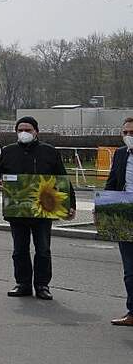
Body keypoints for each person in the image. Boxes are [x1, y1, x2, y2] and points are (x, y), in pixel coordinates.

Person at [0, 116, 72, 301]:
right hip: (17, 209)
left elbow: (62, 178)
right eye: (20, 130)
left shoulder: (49, 152)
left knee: (43, 249)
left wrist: (71, 204)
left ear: (36, 131)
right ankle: (23, 283)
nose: (24, 133)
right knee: (19, 249)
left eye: (28, 130)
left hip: (43, 210)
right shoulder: (8, 151)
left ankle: (42, 285)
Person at [109, 117, 133, 327]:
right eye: (125, 133)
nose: (128, 136)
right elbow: (112, 183)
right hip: (125, 217)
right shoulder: (119, 154)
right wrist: (102, 207)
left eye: (132, 133)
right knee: (130, 270)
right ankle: (132, 312)